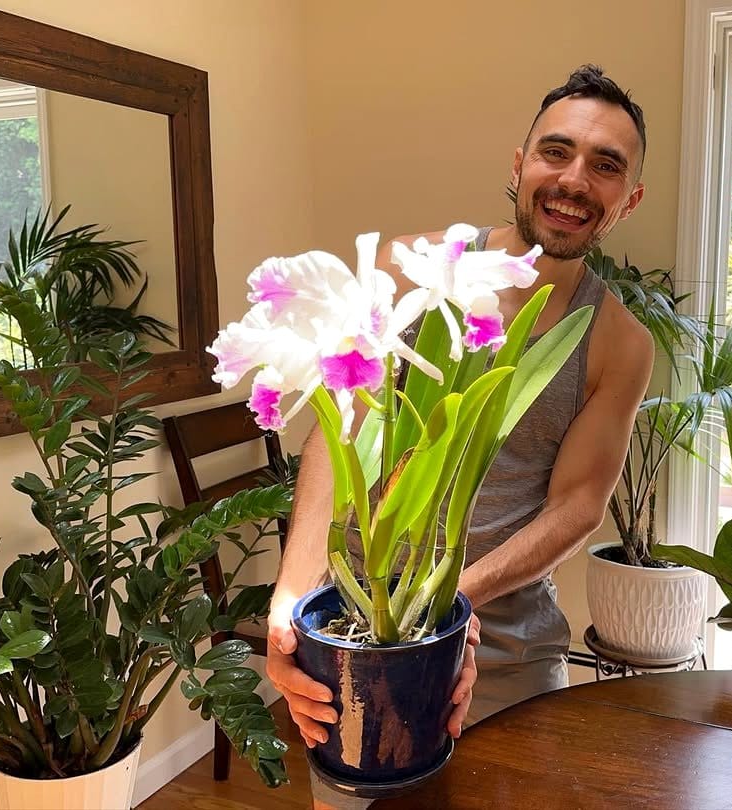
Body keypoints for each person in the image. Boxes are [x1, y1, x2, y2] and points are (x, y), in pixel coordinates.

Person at [265, 64, 654, 809]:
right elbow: (340, 424)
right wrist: (293, 596)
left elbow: (577, 506)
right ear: (519, 163)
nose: (574, 179)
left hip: (505, 645)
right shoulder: (410, 270)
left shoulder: (617, 342)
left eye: (606, 166)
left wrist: (445, 611)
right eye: (556, 151)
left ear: (626, 200)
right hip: (360, 626)